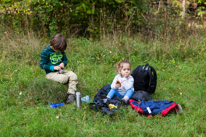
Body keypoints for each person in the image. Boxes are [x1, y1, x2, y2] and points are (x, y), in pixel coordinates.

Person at [40, 33, 78, 104]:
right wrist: (53, 67)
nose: (60, 52)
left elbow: (65, 60)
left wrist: (63, 63)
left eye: (61, 50)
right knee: (64, 79)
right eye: (58, 50)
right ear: (53, 46)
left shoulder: (61, 50)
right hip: (50, 73)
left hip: (61, 71)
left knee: (73, 75)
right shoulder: (45, 52)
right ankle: (66, 81)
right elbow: (42, 65)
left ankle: (71, 95)